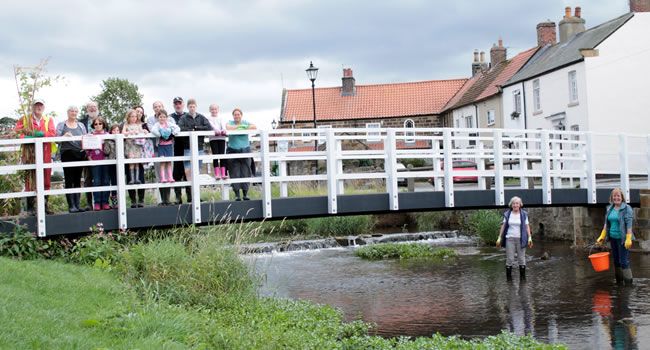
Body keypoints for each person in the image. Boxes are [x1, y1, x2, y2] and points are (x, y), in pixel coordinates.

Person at [14, 98, 56, 215]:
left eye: (41, 105)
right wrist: (27, 138)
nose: (39, 107)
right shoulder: (25, 119)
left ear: (44, 107)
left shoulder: (48, 120)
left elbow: (53, 133)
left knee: (46, 179)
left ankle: (45, 206)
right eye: (36, 105)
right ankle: (31, 208)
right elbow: (16, 133)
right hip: (30, 154)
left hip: (45, 152)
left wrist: (42, 134)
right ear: (33, 107)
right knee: (30, 180)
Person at [597, 188, 635, 285]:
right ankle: (619, 282)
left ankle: (628, 284)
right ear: (612, 197)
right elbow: (606, 223)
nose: (616, 198)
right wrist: (602, 235)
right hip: (613, 238)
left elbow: (629, 224)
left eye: (618, 196)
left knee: (623, 262)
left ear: (622, 197)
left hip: (622, 239)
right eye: (614, 196)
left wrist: (628, 238)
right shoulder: (609, 208)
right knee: (616, 261)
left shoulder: (627, 209)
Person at [55, 105, 87, 213]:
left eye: (75, 111)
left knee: (77, 180)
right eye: (72, 111)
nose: (74, 113)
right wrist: (63, 137)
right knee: (69, 179)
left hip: (79, 154)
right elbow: (56, 140)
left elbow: (85, 139)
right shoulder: (61, 125)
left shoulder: (81, 125)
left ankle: (77, 204)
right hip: (67, 153)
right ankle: (71, 205)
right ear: (68, 112)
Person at [177, 99, 213, 192]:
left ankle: (196, 192)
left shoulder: (201, 117)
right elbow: (180, 128)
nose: (192, 108)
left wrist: (197, 128)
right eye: (190, 106)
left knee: (198, 169)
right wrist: (191, 130)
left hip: (199, 147)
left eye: (193, 106)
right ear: (188, 107)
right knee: (188, 170)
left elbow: (208, 127)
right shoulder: (183, 118)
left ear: (196, 107)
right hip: (187, 146)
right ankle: (191, 192)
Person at [496, 196, 532, 281]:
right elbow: (503, 226)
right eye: (514, 203)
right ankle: (509, 280)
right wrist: (499, 237)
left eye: (517, 203)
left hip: (521, 238)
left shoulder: (524, 214)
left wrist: (529, 237)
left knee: (521, 258)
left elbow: (527, 226)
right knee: (510, 259)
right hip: (510, 238)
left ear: (520, 205)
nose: (515, 205)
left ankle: (523, 280)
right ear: (511, 205)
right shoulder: (507, 214)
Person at [226, 108, 256, 201]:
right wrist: (241, 127)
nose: (237, 116)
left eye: (238, 114)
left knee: (246, 171)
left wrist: (242, 127)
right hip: (233, 150)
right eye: (235, 114)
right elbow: (228, 128)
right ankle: (237, 194)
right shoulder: (230, 122)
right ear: (233, 116)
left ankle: (245, 194)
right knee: (234, 172)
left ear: (241, 115)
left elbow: (254, 127)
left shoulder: (246, 122)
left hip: (245, 150)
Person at [78, 101, 100, 210]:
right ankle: (89, 203)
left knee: (100, 178)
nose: (93, 109)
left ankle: (100, 202)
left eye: (95, 107)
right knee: (88, 179)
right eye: (91, 107)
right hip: (86, 154)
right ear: (87, 109)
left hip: (100, 154)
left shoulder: (101, 120)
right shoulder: (81, 122)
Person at [151, 109, 180, 190]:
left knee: (169, 162)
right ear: (158, 117)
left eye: (164, 117)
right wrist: (160, 135)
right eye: (160, 117)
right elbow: (153, 130)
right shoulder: (157, 125)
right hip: (161, 146)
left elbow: (177, 128)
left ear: (166, 117)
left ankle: (170, 177)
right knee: (163, 162)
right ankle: (163, 178)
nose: (162, 118)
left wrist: (172, 134)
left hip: (169, 145)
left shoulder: (169, 124)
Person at [170, 97, 189, 204]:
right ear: (174, 105)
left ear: (183, 104)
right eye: (176, 104)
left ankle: (191, 197)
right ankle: (178, 198)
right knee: (176, 174)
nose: (178, 105)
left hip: (187, 147)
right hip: (175, 148)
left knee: (188, 173)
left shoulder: (188, 116)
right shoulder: (170, 117)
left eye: (179, 103)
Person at [88, 117, 110, 210]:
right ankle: (97, 202)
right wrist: (90, 159)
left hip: (106, 160)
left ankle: (105, 202)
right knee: (96, 181)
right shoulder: (90, 135)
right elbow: (87, 150)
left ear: (103, 124)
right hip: (95, 161)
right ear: (93, 125)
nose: (98, 126)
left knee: (106, 181)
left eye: (100, 123)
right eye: (96, 124)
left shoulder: (108, 135)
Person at [207, 104, 228, 179]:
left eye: (215, 109)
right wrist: (217, 130)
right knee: (215, 155)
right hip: (213, 138)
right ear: (210, 110)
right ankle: (217, 174)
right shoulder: (208, 118)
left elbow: (222, 125)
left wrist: (223, 130)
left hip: (221, 138)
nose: (214, 111)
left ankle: (223, 173)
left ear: (218, 110)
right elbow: (212, 125)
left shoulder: (220, 117)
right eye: (212, 109)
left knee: (222, 155)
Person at [104, 124, 120, 208]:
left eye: (117, 130)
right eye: (114, 130)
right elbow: (106, 152)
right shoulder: (109, 140)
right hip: (112, 163)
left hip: (120, 164)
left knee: (119, 182)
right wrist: (107, 141)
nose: (116, 132)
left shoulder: (122, 139)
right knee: (112, 182)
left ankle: (120, 201)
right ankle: (114, 202)